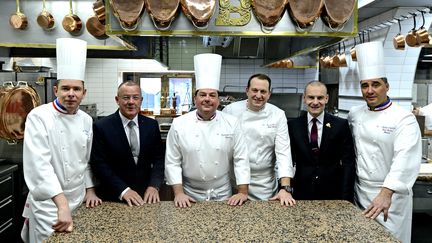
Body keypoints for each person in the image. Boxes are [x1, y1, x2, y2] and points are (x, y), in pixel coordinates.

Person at [21, 38, 102, 243]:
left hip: (77, 200)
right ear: (56, 91)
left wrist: (89, 190)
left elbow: (85, 161)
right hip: (49, 203)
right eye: (66, 88)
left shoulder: (85, 120)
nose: (71, 94)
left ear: (84, 93)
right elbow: (39, 166)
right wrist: (61, 205)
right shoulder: (39, 116)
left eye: (76, 89)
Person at [348, 41, 421, 243]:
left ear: (387, 86)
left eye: (376, 84)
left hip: (391, 195)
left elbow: (404, 159)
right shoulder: (355, 115)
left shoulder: (402, 118)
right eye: (365, 85)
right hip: (360, 191)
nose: (370, 90)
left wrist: (386, 193)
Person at [165, 53, 250, 208]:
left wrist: (242, 192)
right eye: (202, 94)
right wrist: (178, 193)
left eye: (212, 95)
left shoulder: (232, 123)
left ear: (218, 100)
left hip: (223, 193)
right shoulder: (179, 124)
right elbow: (172, 161)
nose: (207, 99)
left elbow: (241, 159)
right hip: (188, 195)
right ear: (195, 98)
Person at [223, 74, 296, 206]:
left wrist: (285, 189)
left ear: (269, 94)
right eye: (254, 90)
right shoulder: (230, 111)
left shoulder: (278, 114)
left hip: (264, 184)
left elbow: (283, 152)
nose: (258, 95)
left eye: (263, 91)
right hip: (235, 180)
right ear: (247, 91)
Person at [90, 81, 165, 206]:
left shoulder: (151, 125)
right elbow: (99, 164)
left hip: (146, 197)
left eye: (135, 97)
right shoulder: (102, 126)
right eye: (126, 97)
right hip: (114, 197)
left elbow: (159, 159)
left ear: (141, 100)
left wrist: (154, 185)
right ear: (117, 100)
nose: (131, 102)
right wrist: (123, 190)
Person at [288, 81, 356, 202]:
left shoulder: (340, 125)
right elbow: (288, 161)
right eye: (310, 97)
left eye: (319, 98)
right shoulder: (293, 125)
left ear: (326, 98)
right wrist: (286, 189)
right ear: (304, 98)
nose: (315, 102)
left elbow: (348, 164)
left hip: (333, 194)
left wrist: (346, 198)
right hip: (301, 193)